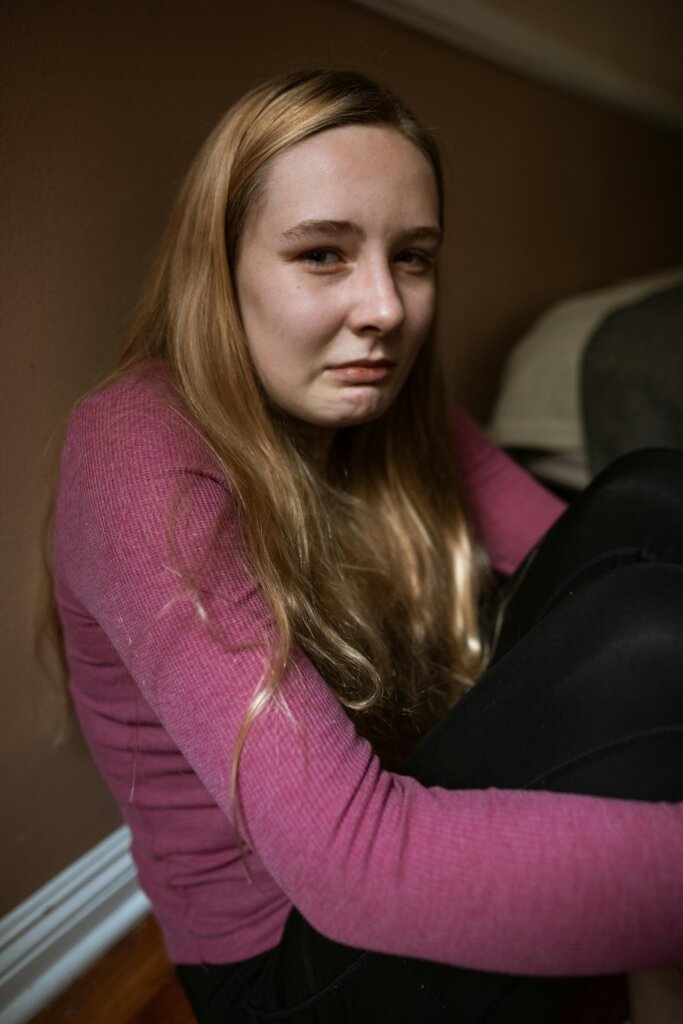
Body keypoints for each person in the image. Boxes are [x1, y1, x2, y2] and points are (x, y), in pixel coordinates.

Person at [49, 70, 683, 1023]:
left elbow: (597, 552)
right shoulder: (134, 451)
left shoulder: (382, 398)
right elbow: (352, 866)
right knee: (642, 637)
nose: (385, 308)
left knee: (648, 489)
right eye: (322, 254)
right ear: (217, 272)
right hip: (290, 955)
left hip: (388, 820)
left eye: (413, 257)